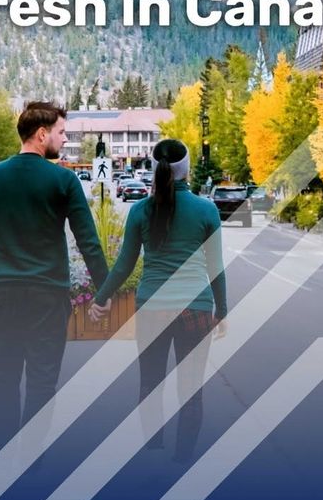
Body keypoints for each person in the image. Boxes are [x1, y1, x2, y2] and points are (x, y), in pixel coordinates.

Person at [0, 101, 108, 452]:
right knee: (42, 381)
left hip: (3, 292)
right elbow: (88, 241)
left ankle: (3, 453)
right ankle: (31, 457)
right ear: (42, 134)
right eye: (61, 132)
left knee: (5, 378)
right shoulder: (64, 180)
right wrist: (105, 291)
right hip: (48, 294)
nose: (65, 138)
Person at [90, 138, 227, 462]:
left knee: (150, 383)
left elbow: (124, 264)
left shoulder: (140, 211)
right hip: (195, 309)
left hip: (152, 308)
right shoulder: (206, 210)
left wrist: (101, 297)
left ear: (154, 169)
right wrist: (221, 310)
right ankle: (183, 460)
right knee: (191, 389)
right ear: (186, 169)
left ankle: (153, 455)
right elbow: (215, 267)